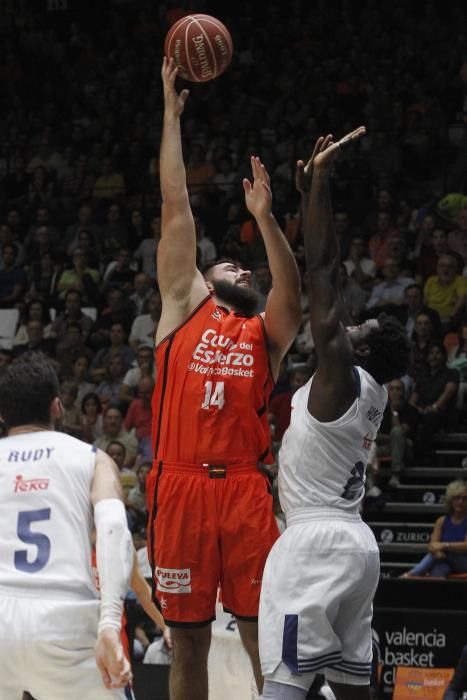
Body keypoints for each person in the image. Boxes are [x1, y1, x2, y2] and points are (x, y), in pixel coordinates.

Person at [147, 57, 301, 700]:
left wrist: (264, 219)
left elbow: (293, 298)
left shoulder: (263, 332)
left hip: (242, 488)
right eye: (229, 261)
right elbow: (175, 202)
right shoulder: (182, 304)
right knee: (188, 641)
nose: (240, 265)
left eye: (247, 262)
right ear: (205, 281)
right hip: (180, 484)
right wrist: (171, 115)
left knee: (262, 628)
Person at [258, 129, 410, 700]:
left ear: (361, 351)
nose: (349, 325)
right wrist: (308, 199)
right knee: (351, 689)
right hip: (357, 546)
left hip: (315, 542)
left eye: (360, 329)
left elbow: (324, 273)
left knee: (285, 680)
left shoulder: (341, 378)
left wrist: (318, 187)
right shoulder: (375, 393)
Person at [0, 353, 133, 698]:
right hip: (65, 619)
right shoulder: (93, 458)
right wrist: (109, 621)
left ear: (2, 415)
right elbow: (113, 528)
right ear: (57, 406)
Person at [404, 480, 467, 578]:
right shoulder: (441, 521)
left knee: (447, 554)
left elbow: (465, 546)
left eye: (464, 499)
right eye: (457, 498)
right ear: (451, 500)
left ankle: (411, 574)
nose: (460, 502)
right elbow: (432, 546)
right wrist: (437, 552)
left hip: (463, 562)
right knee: (439, 569)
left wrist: (444, 546)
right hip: (444, 560)